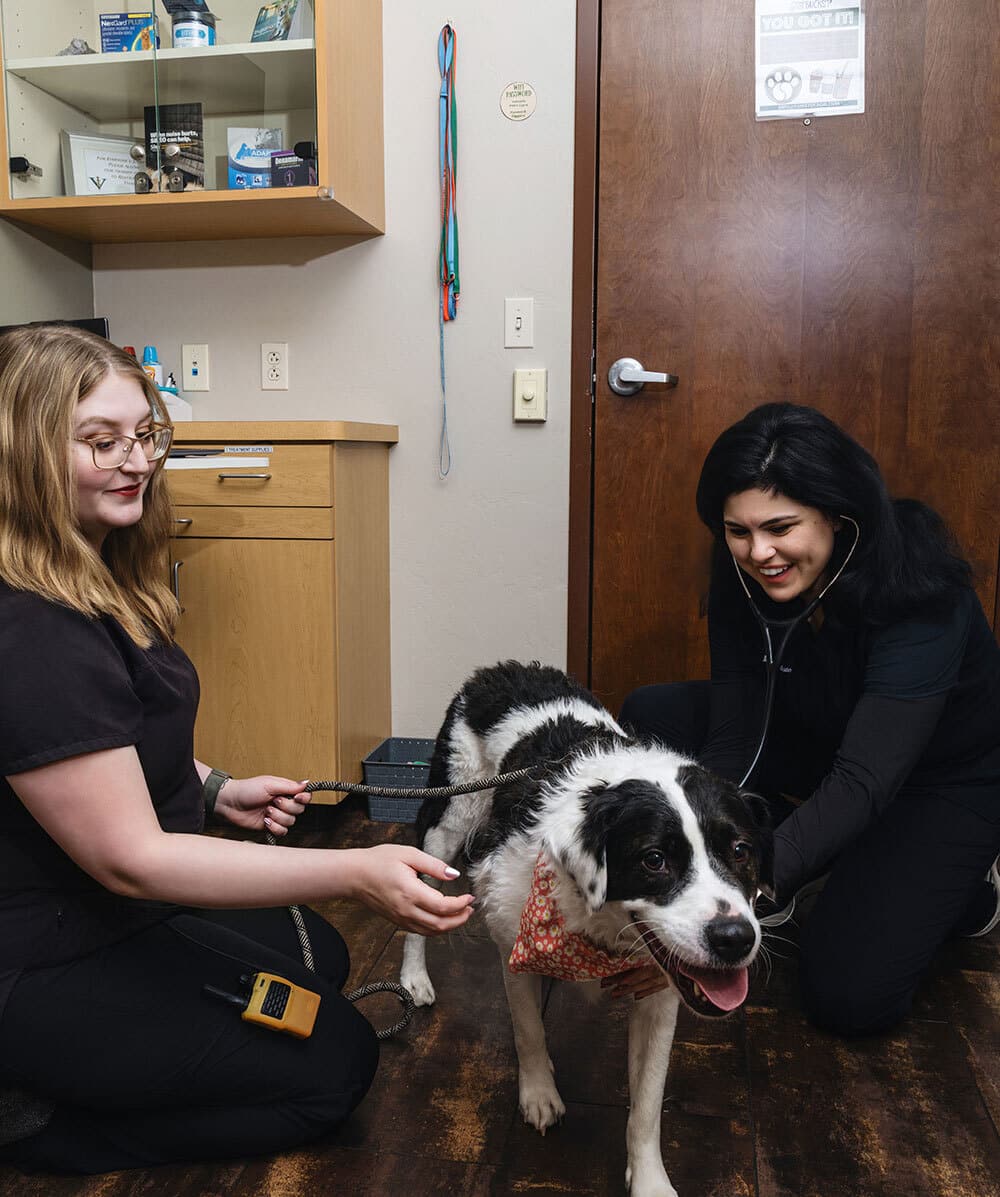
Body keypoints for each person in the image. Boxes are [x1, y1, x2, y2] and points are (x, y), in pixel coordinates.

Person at [0, 324, 475, 1174]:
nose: (135, 461)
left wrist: (214, 787)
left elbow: (110, 739)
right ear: (26, 455)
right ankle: (34, 1116)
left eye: (144, 434)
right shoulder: (32, 629)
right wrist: (356, 872)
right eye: (100, 442)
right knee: (334, 1068)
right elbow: (134, 860)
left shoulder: (91, 571)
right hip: (44, 953)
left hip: (109, 908)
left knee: (317, 956)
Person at [619, 402, 1000, 1036]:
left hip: (940, 780)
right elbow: (738, 733)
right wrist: (708, 868)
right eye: (737, 532)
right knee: (653, 714)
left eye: (780, 527)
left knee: (850, 997)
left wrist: (745, 888)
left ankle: (966, 889)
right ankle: (800, 855)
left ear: (837, 515)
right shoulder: (740, 565)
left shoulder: (925, 590)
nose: (758, 551)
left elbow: (866, 780)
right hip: (827, 735)